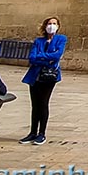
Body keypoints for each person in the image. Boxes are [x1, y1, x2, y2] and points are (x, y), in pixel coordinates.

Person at [20, 16, 67, 145]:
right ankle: (32, 132)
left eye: (54, 23)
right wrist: (47, 58)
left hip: (49, 76)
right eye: (49, 23)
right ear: (45, 26)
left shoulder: (61, 39)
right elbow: (32, 58)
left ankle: (42, 134)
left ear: (58, 26)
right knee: (35, 105)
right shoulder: (38, 41)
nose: (51, 26)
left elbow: (57, 56)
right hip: (35, 75)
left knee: (43, 103)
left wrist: (41, 57)